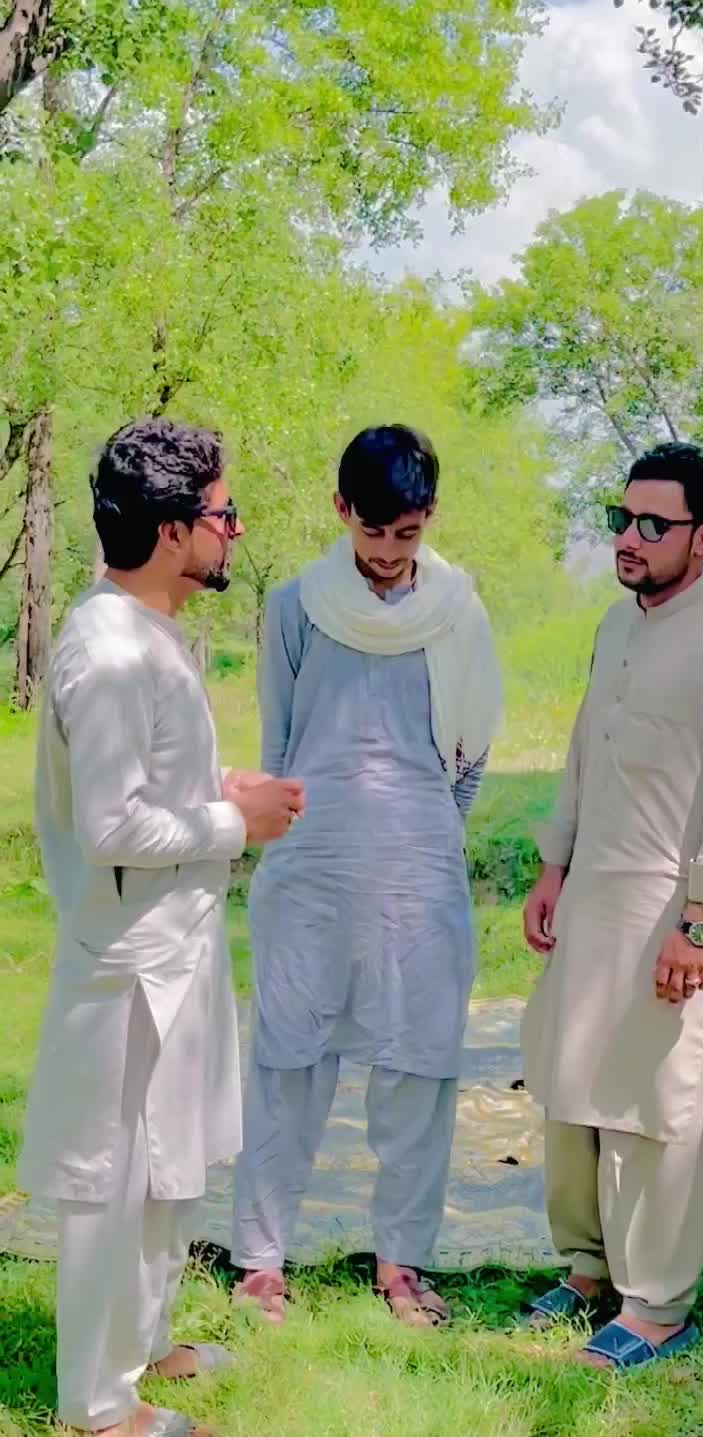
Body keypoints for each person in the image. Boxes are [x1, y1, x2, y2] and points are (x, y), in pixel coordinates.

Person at [19, 419, 304, 1437]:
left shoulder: (149, 634)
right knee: (113, 1177)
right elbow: (109, 827)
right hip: (130, 960)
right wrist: (235, 822)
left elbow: (143, 786)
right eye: (224, 514)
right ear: (175, 529)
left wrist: (212, 788)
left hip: (174, 944)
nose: (235, 531)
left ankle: (141, 1347)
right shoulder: (109, 652)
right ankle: (99, 1408)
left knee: (167, 1161)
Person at [520, 442, 703, 1369]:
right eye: (621, 519)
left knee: (655, 1102)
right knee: (571, 1086)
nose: (628, 539)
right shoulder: (614, 626)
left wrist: (702, 922)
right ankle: (587, 1270)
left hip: (674, 905)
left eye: (652, 524)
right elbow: (582, 753)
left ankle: (659, 1306)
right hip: (592, 891)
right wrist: (553, 866)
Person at [230, 425, 502, 1327]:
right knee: (287, 1058)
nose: (388, 554)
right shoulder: (295, 607)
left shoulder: (458, 611)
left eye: (407, 534)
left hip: (419, 867)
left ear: (430, 518)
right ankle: (261, 1261)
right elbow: (279, 742)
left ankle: (402, 1262)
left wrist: (424, 832)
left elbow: (471, 749)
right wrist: (307, 832)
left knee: (418, 1063)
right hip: (311, 863)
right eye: (373, 531)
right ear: (341, 510)